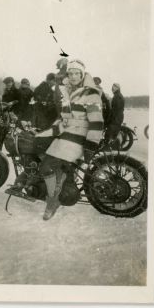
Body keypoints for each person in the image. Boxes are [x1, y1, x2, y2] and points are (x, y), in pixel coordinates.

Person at [36, 59, 104, 221]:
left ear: (82, 74)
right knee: (38, 147)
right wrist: (42, 133)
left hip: (79, 139)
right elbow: (64, 121)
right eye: (70, 73)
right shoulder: (68, 92)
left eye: (76, 73)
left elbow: (97, 122)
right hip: (67, 135)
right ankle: (62, 189)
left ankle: (53, 201)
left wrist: (90, 148)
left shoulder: (90, 93)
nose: (73, 76)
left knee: (46, 167)